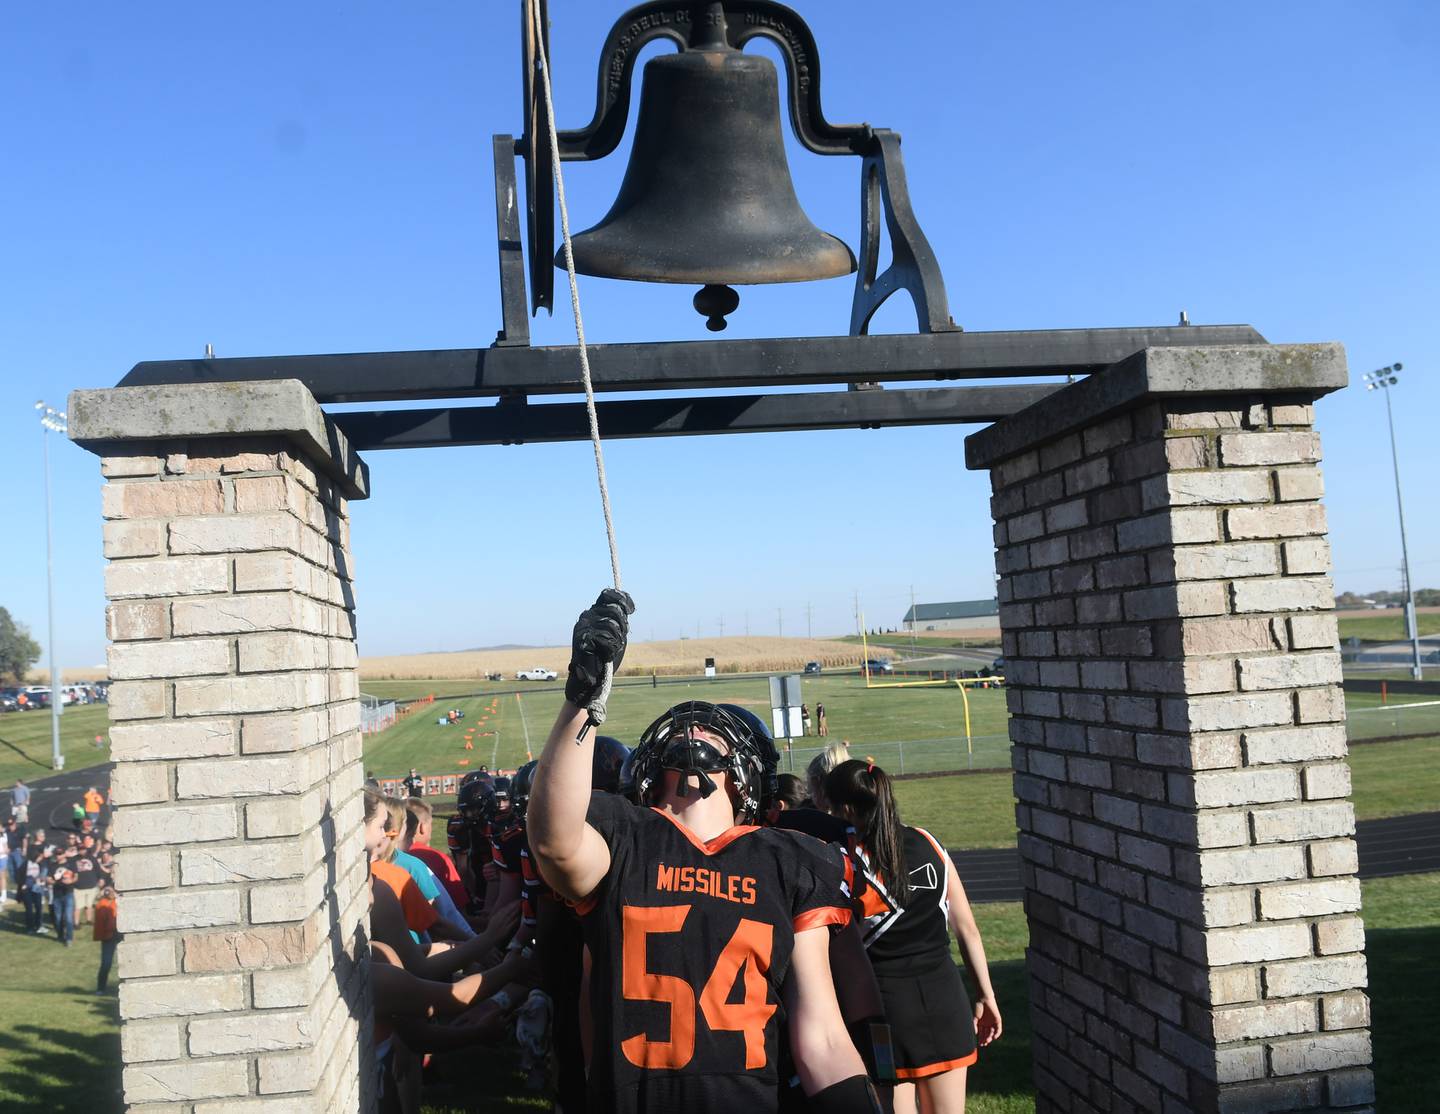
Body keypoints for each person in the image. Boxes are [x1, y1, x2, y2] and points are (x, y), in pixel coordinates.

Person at [529, 589, 879, 1113]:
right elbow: (555, 842)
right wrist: (583, 697)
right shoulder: (624, 835)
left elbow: (823, 1038)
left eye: (714, 730)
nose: (696, 729)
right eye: (687, 728)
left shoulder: (790, 862)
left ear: (750, 778)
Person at [824, 760, 1002, 1114]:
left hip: (887, 1016)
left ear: (844, 809)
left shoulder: (845, 862)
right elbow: (967, 928)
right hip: (947, 1004)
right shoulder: (929, 842)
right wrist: (986, 994)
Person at [94, 886, 119, 992]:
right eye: (108, 892)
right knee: (106, 963)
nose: (110, 893)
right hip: (109, 936)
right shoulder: (102, 904)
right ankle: (100, 988)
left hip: (120, 934)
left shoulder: (119, 902)